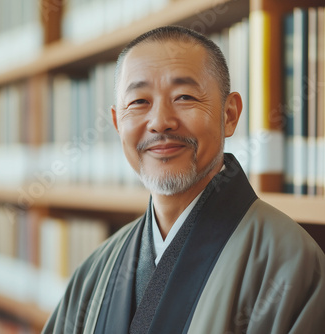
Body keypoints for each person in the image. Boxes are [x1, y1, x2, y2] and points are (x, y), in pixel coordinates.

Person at [41, 26, 325, 334]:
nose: (161, 121)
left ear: (229, 115)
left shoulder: (290, 264)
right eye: (138, 102)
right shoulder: (94, 272)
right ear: (117, 123)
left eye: (184, 97)